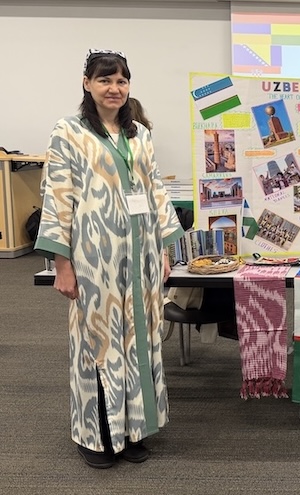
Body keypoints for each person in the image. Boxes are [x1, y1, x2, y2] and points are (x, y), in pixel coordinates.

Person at [34, 49, 184, 469]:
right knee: (98, 342)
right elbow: (58, 197)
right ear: (87, 83)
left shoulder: (139, 135)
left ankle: (133, 428)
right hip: (94, 256)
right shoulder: (69, 131)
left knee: (139, 339)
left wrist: (166, 247)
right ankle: (96, 435)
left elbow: (155, 190)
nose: (114, 88)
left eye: (121, 81)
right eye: (105, 80)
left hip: (142, 254)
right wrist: (62, 265)